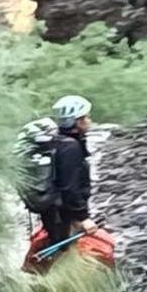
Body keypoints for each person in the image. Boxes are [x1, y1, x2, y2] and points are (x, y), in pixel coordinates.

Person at [42, 95, 98, 249]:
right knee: (64, 251)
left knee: (59, 247)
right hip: (64, 215)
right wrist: (83, 217)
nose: (89, 121)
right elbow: (69, 187)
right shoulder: (70, 147)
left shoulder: (58, 141)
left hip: (55, 212)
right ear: (77, 121)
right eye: (86, 117)